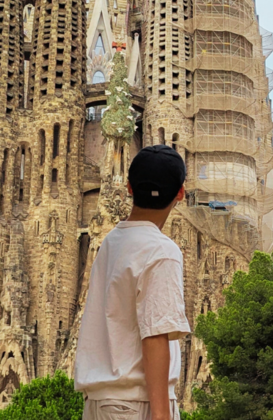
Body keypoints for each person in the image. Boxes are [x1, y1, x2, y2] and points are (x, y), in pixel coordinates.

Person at [74, 145, 191, 420]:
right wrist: (161, 414)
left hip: (99, 403)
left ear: (129, 187)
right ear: (180, 194)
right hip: (136, 405)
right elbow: (155, 335)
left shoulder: (111, 242)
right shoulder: (162, 251)